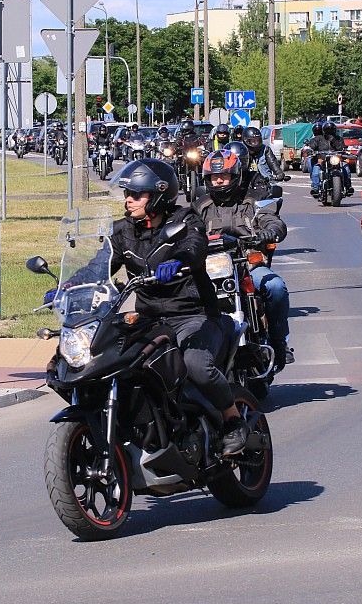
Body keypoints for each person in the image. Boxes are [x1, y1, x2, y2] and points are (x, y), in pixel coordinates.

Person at [76, 159, 248, 454]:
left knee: (196, 364)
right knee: (113, 360)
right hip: (149, 318)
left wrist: (179, 261)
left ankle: (233, 421)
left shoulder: (185, 220)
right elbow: (99, 266)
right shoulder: (122, 232)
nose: (129, 200)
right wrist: (70, 285)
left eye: (136, 194)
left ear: (158, 194)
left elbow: (194, 246)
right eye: (127, 193)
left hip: (193, 316)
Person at [194, 143, 293, 371]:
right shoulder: (200, 207)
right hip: (211, 270)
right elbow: (186, 229)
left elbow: (271, 219)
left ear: (235, 176)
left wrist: (270, 231)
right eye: (214, 177)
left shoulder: (253, 201)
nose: (219, 181)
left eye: (224, 176)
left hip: (247, 264)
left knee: (276, 287)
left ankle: (279, 342)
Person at [241, 126, 287, 200]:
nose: (256, 143)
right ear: (246, 141)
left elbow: (273, 162)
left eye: (257, 140)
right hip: (246, 183)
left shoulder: (265, 150)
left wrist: (279, 174)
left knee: (276, 199)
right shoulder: (241, 151)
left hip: (264, 183)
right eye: (253, 141)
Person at [308, 120, 345, 196]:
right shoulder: (318, 138)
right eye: (327, 130)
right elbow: (312, 146)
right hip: (323, 160)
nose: (329, 131)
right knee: (316, 171)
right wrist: (311, 150)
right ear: (324, 130)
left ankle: (348, 186)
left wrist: (334, 141)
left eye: (331, 129)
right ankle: (315, 188)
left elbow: (341, 148)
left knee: (346, 168)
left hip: (335, 160)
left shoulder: (338, 139)